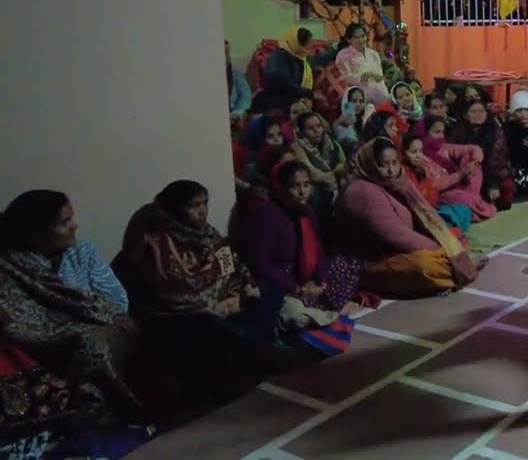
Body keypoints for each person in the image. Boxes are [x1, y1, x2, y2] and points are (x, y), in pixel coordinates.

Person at [112, 181, 308, 381]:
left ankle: (248, 346)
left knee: (270, 293)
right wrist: (217, 307)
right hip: (183, 315)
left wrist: (239, 292)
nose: (202, 211)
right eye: (194, 206)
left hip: (225, 304)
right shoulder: (155, 244)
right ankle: (252, 349)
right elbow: (170, 293)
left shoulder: (207, 233)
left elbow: (231, 266)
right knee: (208, 324)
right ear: (175, 208)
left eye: (205, 204)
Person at [0, 191, 144, 428]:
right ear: (34, 234)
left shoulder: (81, 251)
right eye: (64, 222)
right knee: (89, 344)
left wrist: (110, 316)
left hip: (96, 325)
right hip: (41, 340)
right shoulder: (10, 266)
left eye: (72, 219)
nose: (74, 226)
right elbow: (19, 317)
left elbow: (115, 299)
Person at [331, 138, 482, 297]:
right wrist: (446, 254)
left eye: (395, 163)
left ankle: (451, 271)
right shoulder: (362, 191)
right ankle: (450, 273)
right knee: (426, 265)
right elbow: (398, 237)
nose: (391, 170)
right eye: (383, 164)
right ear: (370, 164)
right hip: (371, 262)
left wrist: (448, 245)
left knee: (455, 240)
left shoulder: (398, 181)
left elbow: (426, 216)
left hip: (398, 252)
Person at [233, 162, 364, 312]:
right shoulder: (267, 215)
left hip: (307, 280)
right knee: (287, 306)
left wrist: (321, 283)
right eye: (295, 186)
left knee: (347, 263)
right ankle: (323, 307)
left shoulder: (306, 212)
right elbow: (260, 264)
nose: (302, 192)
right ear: (281, 188)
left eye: (307, 185)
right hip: (283, 281)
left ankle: (324, 303)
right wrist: (295, 288)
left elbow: (318, 252)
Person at [419, 116, 497, 220]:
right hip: (444, 194)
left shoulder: (444, 147)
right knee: (461, 197)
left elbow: (474, 148)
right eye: (437, 132)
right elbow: (436, 185)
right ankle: (477, 206)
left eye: (442, 132)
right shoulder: (420, 157)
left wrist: (474, 161)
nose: (441, 136)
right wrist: (459, 175)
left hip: (460, 185)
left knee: (471, 161)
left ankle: (472, 206)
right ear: (424, 134)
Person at [449, 99, 515, 211]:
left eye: (481, 111)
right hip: (468, 174)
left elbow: (497, 160)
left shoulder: (495, 130)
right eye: (473, 112)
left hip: (492, 173)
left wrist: (493, 184)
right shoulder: (458, 131)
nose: (478, 115)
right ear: (465, 115)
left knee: (507, 186)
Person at [254, 26, 334, 113]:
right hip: (277, 97)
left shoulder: (302, 57)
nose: (309, 48)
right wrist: (309, 94)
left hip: (298, 96)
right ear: (297, 44)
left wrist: (337, 51)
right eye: (307, 45)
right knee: (303, 108)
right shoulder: (279, 57)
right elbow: (280, 81)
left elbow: (317, 60)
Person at [290, 111, 347, 210]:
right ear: (301, 132)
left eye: (319, 126)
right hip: (317, 191)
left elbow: (344, 164)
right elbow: (310, 173)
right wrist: (331, 174)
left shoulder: (330, 143)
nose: (317, 131)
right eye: (311, 128)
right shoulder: (297, 147)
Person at [335, 24, 389, 106]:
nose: (361, 40)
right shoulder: (343, 55)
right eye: (356, 38)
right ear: (348, 40)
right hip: (356, 95)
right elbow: (344, 77)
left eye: (363, 36)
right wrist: (362, 76)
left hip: (379, 92)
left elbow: (379, 76)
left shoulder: (373, 54)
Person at [226, 40, 252, 128]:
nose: (226, 56)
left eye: (227, 52)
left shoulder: (234, 73)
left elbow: (245, 96)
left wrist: (237, 113)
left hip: (234, 115)